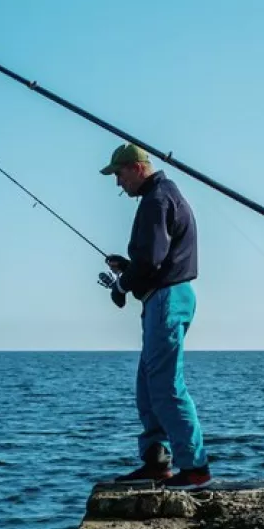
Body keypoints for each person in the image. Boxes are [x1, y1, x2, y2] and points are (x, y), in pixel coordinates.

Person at [98, 143, 211, 491]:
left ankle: (195, 469)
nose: (118, 183)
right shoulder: (162, 196)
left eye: (119, 174)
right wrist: (130, 271)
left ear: (135, 167)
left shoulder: (156, 199)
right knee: (148, 385)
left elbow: (151, 260)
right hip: (167, 296)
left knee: (165, 385)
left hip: (167, 298)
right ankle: (157, 461)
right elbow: (154, 258)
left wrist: (122, 285)